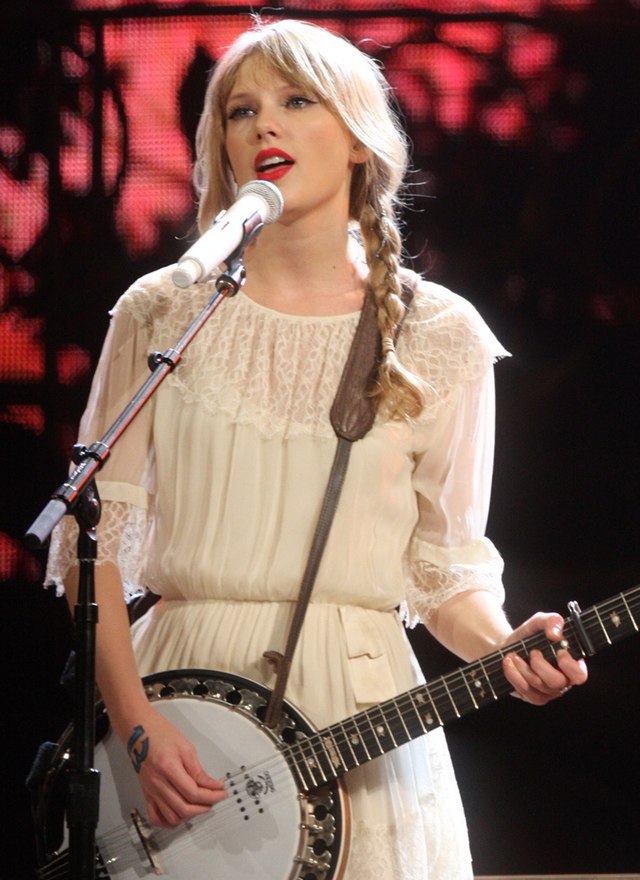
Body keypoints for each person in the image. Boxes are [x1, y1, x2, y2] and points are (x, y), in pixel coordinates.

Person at [46, 18, 588, 879]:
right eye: (241, 110)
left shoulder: (437, 332)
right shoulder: (164, 308)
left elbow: (444, 567)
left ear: (360, 138)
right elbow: (98, 539)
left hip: (360, 717)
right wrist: (138, 726)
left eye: (298, 101)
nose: (265, 125)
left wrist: (503, 644)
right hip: (179, 709)